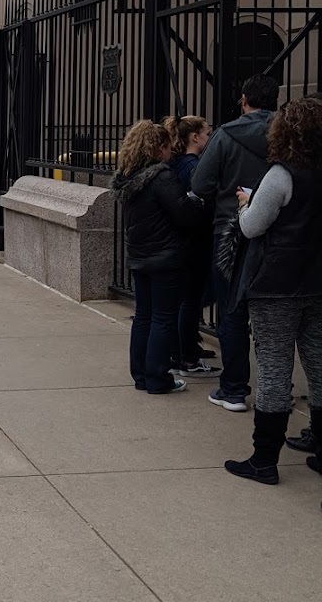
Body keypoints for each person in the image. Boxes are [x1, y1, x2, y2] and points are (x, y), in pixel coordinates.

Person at [223, 96, 322, 486]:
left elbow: (252, 227)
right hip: (316, 281)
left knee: (275, 370)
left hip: (276, 284)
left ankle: (264, 460)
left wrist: (247, 204)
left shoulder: (282, 174)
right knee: (318, 363)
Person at [191, 75, 280, 412]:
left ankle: (233, 388)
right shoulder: (288, 134)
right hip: (279, 232)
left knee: (232, 311)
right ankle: (277, 389)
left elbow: (200, 183)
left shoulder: (226, 134)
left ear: (244, 99)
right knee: (276, 315)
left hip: (230, 231)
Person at [112, 119, 206, 394]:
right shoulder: (162, 177)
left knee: (144, 317)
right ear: (158, 148)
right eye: (167, 147)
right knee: (163, 319)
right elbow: (185, 214)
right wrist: (196, 203)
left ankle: (141, 374)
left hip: (140, 256)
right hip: (165, 257)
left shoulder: (128, 179)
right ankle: (157, 377)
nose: (170, 152)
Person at [163, 114, 216, 375]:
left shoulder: (175, 164)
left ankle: (184, 352)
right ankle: (188, 356)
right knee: (190, 300)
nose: (209, 137)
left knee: (186, 299)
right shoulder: (193, 166)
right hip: (194, 240)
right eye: (206, 133)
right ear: (194, 137)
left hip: (180, 241)